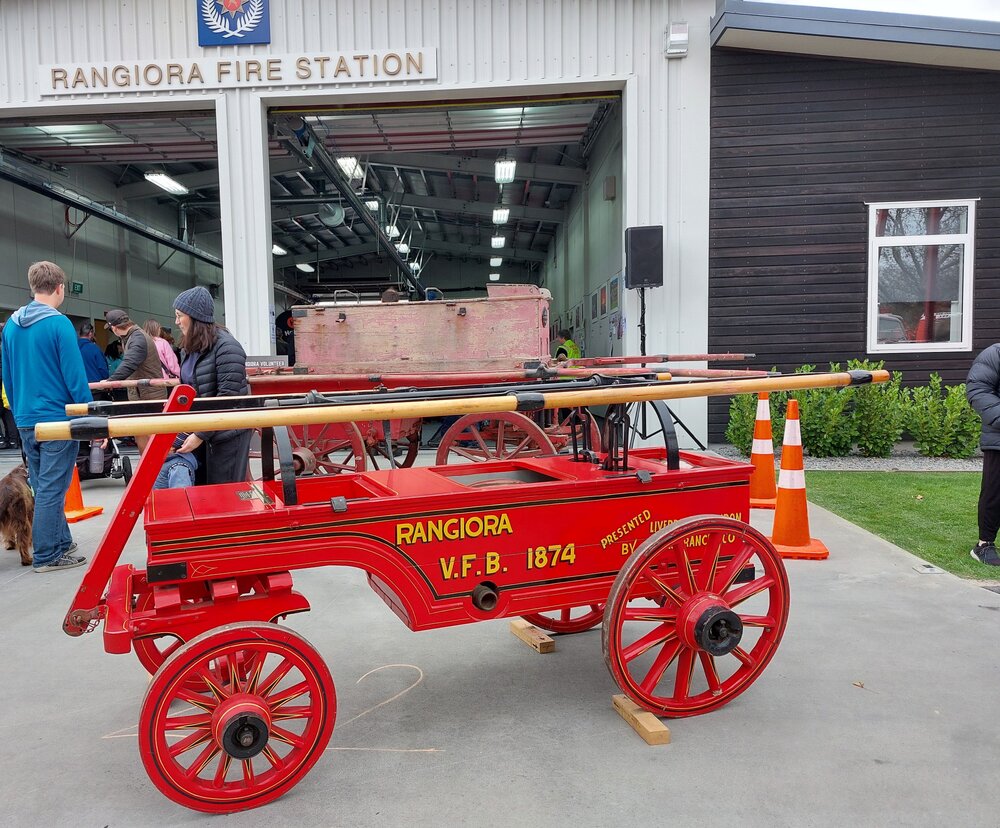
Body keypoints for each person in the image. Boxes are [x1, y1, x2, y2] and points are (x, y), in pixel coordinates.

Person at [1, 261, 92, 572]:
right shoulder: (59, 324)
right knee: (53, 488)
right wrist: (88, 412)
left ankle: (61, 541)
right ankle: (48, 554)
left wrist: (18, 410)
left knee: (44, 484)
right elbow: (74, 376)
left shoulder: (11, 325)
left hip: (26, 418)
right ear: (60, 288)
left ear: (32, 286)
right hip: (56, 419)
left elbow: (8, 377)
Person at [172, 286, 252, 484]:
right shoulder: (188, 347)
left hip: (227, 434)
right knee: (201, 490)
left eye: (179, 315)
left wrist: (200, 434)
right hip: (201, 430)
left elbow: (228, 398)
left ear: (194, 317)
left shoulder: (227, 347)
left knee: (223, 491)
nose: (176, 321)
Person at [106, 309, 168, 452]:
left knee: (153, 440)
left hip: (150, 396)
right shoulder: (131, 337)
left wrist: (109, 381)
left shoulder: (137, 337)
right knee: (142, 435)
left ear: (114, 328)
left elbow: (130, 363)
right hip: (141, 395)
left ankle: (160, 472)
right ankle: (148, 472)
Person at [967, 347, 1000, 565]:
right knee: (995, 492)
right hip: (999, 437)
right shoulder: (995, 354)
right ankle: (984, 544)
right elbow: (978, 389)